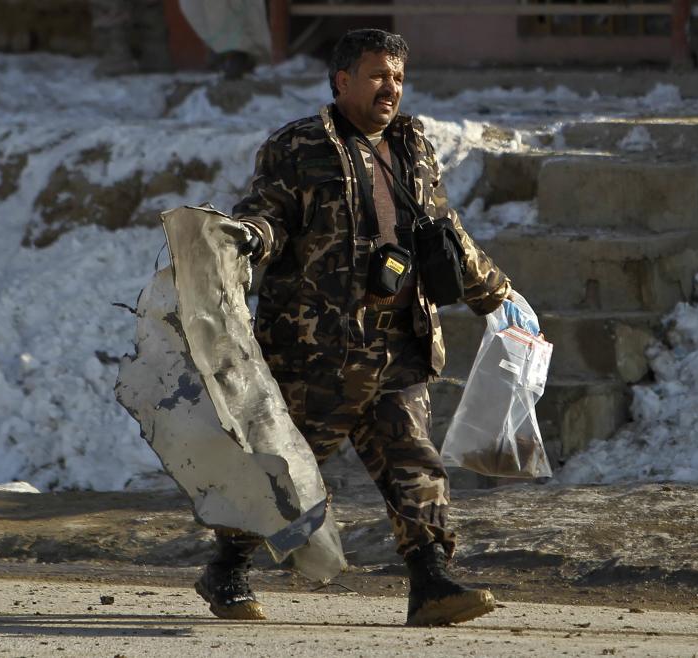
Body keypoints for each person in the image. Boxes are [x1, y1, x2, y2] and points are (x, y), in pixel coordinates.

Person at [196, 28, 518, 627]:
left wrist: (496, 294)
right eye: (377, 76)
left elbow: (444, 232)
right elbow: (266, 216)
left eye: (397, 76)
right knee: (284, 470)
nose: (390, 88)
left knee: (413, 462)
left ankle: (431, 581)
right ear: (342, 81)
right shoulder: (297, 147)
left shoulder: (413, 145)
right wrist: (246, 239)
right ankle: (227, 563)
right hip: (317, 351)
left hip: (399, 341)